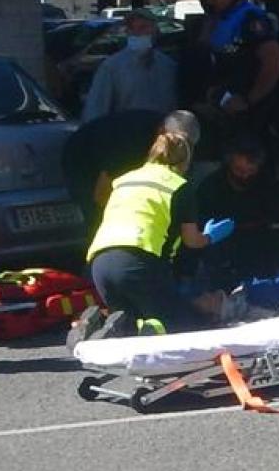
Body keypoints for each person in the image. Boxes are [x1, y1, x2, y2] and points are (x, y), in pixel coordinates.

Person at [80, 114, 234, 336]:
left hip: (100, 264)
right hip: (138, 261)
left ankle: (97, 323)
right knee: (181, 326)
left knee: (132, 323)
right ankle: (122, 327)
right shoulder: (179, 186)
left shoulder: (125, 179)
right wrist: (210, 236)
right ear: (185, 160)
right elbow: (192, 241)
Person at [190, 0, 279, 146]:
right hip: (223, 111)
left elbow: (273, 64)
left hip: (254, 117)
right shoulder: (215, 19)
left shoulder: (250, 17)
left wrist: (248, 101)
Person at [189, 131, 279, 290]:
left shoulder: (267, 185)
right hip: (223, 250)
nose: (244, 176)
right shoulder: (211, 187)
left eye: (250, 172)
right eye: (239, 170)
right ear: (229, 162)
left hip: (261, 248)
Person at [62, 108, 167, 229]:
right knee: (97, 217)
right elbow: (101, 194)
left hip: (103, 150)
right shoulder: (133, 140)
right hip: (81, 157)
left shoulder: (160, 130)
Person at [81, 9, 178, 122]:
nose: (138, 33)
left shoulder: (167, 65)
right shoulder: (112, 67)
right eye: (132, 29)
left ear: (155, 31)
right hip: (126, 133)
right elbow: (96, 108)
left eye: (143, 27)